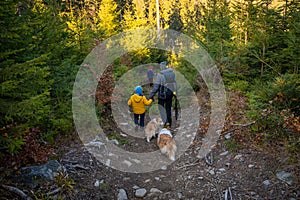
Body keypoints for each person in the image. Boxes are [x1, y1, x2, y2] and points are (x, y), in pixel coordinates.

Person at [148, 61, 177, 127]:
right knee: (168, 108)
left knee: (161, 108)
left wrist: (151, 95)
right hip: (170, 93)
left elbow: (156, 86)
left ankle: (165, 122)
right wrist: (175, 92)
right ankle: (169, 122)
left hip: (162, 95)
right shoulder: (172, 72)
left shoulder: (160, 74)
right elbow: (175, 83)